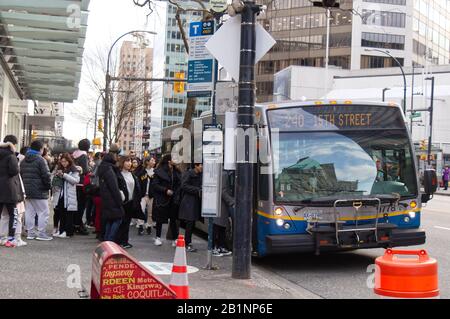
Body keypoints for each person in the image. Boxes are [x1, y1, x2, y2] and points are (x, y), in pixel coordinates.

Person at [20, 140, 52, 241]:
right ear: (40, 149)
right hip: (39, 190)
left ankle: (30, 233)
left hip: (27, 190)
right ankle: (41, 233)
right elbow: (46, 176)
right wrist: (48, 187)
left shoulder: (24, 160)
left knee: (29, 212)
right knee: (44, 212)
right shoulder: (41, 160)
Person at [0, 135, 24, 247]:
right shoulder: (11, 155)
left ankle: (1, 237)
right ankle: (10, 239)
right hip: (9, 189)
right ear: (13, 144)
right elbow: (14, 171)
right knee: (13, 215)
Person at [97, 144, 124, 242]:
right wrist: (120, 201)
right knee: (118, 218)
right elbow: (114, 187)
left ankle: (106, 241)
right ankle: (109, 241)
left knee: (110, 219)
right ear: (115, 154)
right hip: (112, 198)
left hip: (106, 198)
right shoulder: (109, 167)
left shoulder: (104, 164)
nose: (118, 157)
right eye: (118, 155)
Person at [152, 154, 180, 246]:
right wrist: (165, 190)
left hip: (173, 199)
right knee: (159, 219)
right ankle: (158, 237)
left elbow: (179, 184)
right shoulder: (159, 171)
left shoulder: (176, 171)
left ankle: (175, 239)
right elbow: (155, 185)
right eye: (174, 159)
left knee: (173, 219)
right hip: (162, 199)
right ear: (169, 161)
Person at [116, 156, 144, 249]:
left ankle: (125, 241)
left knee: (127, 222)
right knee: (120, 222)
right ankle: (118, 241)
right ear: (122, 162)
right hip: (122, 202)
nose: (129, 163)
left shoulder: (132, 175)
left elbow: (137, 188)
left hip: (131, 202)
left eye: (130, 161)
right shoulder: (118, 175)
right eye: (127, 161)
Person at [51, 153, 80, 238]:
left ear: (69, 161)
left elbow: (75, 181)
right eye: (62, 161)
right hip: (61, 194)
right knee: (61, 212)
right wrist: (57, 175)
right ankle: (61, 230)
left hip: (69, 195)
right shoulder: (59, 168)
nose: (64, 163)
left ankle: (68, 232)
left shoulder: (73, 169)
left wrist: (64, 175)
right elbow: (53, 178)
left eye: (65, 161)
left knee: (69, 214)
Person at [178, 163, 203, 252]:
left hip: (195, 201)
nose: (202, 167)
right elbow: (184, 186)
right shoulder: (189, 174)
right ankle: (187, 243)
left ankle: (188, 242)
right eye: (201, 165)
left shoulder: (200, 175)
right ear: (196, 166)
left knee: (191, 223)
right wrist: (197, 190)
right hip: (189, 201)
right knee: (190, 223)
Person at [212, 170, 234, 257]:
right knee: (217, 226)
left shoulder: (225, 173)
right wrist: (231, 201)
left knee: (222, 227)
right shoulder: (224, 174)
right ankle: (214, 247)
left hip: (222, 206)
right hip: (221, 205)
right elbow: (223, 191)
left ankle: (221, 247)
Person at [72, 139, 91, 235]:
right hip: (81, 183)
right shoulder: (83, 155)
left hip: (73, 182)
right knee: (81, 205)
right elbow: (85, 170)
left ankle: (74, 223)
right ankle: (78, 224)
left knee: (76, 205)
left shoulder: (74, 154)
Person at [135, 157, 157, 235]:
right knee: (141, 210)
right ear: (147, 162)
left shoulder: (155, 172)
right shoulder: (141, 171)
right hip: (143, 195)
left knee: (150, 212)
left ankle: (149, 226)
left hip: (151, 195)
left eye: (154, 161)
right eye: (152, 160)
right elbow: (138, 182)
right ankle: (140, 226)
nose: (154, 162)